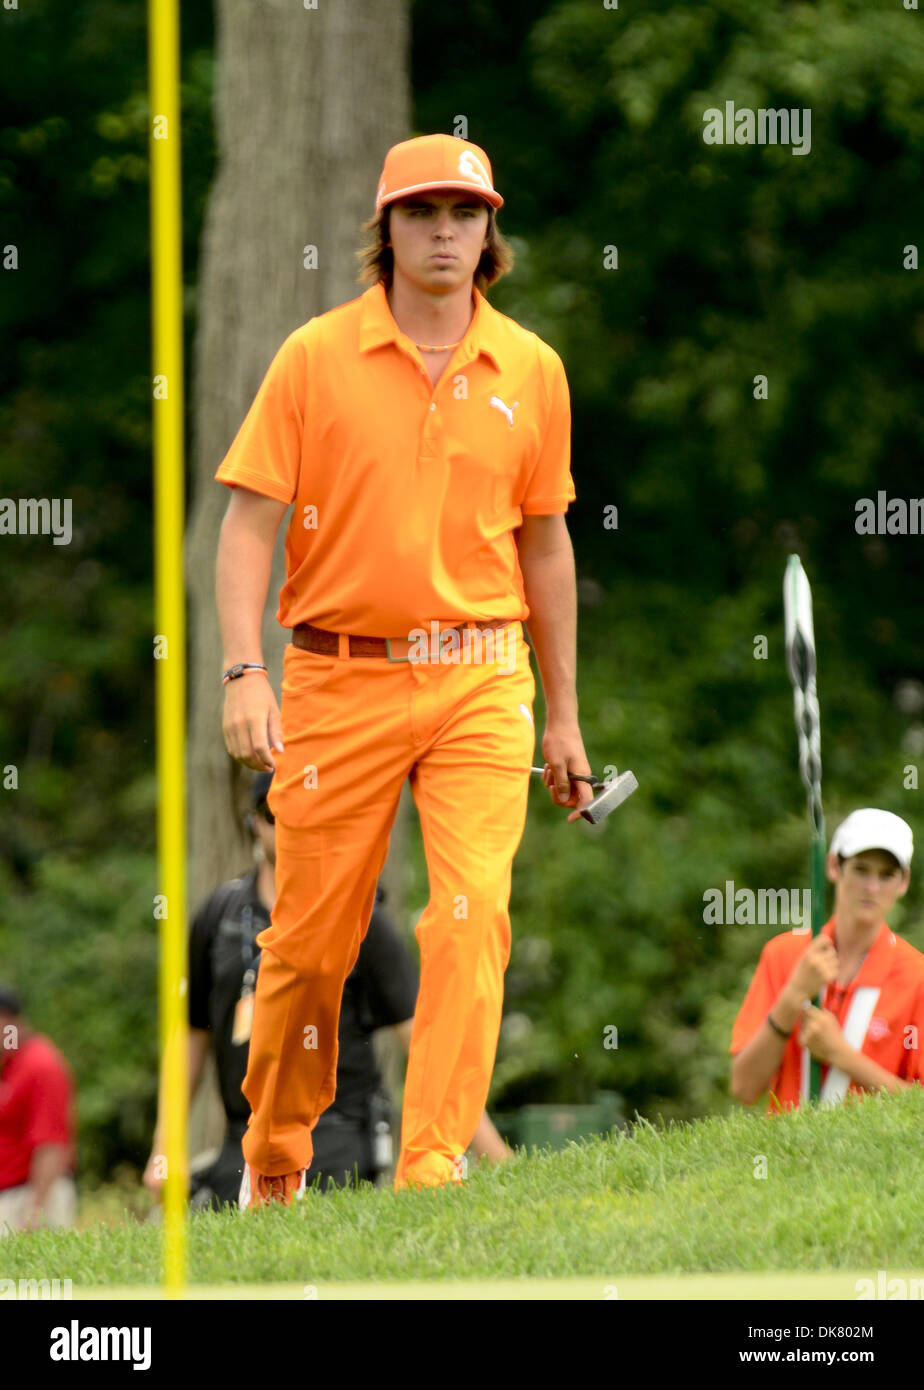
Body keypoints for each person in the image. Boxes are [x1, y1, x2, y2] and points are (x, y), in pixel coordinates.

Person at [214, 132, 593, 1205]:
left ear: (490, 234)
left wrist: (565, 717)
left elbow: (548, 544)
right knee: (308, 945)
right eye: (422, 214)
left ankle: (430, 1168)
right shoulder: (315, 356)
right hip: (339, 676)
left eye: (463, 215)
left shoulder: (531, 367)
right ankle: (276, 1160)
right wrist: (246, 672)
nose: (444, 233)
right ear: (386, 230)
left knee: (472, 912)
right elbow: (247, 528)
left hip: (482, 675)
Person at [143, 772, 511, 1205]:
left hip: (337, 1140)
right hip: (245, 1138)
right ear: (252, 821)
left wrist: (495, 1156)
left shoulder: (360, 916)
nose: (286, 824)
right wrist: (165, 1150)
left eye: (300, 809)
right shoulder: (219, 916)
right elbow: (191, 1036)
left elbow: (425, 1040)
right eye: (271, 813)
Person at [730, 808, 924, 1110]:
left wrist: (840, 1055)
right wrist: (793, 994)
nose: (872, 888)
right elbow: (743, 1087)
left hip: (872, 1156)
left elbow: (918, 1108)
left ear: (903, 883)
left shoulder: (917, 977)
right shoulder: (783, 954)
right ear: (834, 866)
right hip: (787, 1155)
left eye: (886, 875)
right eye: (861, 869)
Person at [0, 985, 78, 1235]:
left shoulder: (40, 1065)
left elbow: (51, 1144)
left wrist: (35, 1210)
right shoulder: (9, 1064)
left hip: (33, 1196)